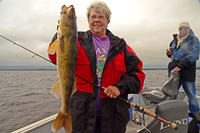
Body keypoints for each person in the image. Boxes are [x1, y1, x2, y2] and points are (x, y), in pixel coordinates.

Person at [48, 1, 145, 133]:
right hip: (82, 116)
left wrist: (119, 87)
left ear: (107, 21)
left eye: (101, 17)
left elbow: (138, 74)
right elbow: (54, 57)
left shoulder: (121, 47)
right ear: (88, 20)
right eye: (93, 17)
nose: (97, 20)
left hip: (113, 118)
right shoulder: (76, 40)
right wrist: (59, 32)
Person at [166, 21, 200, 121]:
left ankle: (197, 120)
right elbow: (173, 55)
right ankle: (170, 117)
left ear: (189, 29)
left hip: (187, 73)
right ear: (179, 30)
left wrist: (180, 66)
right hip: (174, 73)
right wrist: (169, 54)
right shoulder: (174, 41)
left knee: (192, 97)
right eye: (181, 29)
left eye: (186, 29)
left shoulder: (194, 40)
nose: (183, 31)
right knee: (172, 95)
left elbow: (194, 55)